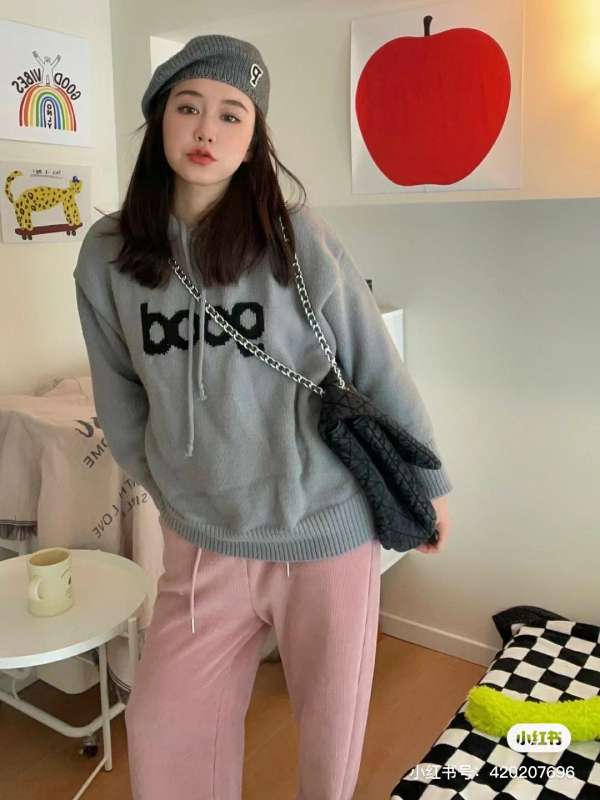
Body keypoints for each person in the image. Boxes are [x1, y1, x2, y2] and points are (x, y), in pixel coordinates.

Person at [73, 34, 453, 800]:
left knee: (329, 740)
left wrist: (431, 484)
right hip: (203, 543)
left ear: (253, 140)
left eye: (231, 115)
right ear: (159, 119)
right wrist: (174, 490)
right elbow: (120, 399)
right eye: (188, 107)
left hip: (324, 531)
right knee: (165, 731)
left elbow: (373, 362)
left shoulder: (294, 237)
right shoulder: (108, 256)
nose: (206, 130)